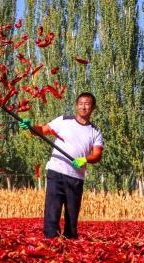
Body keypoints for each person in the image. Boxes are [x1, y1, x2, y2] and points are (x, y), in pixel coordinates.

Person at [19, 92, 104, 239]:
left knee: (72, 216)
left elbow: (97, 155)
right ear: (77, 105)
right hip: (56, 171)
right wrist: (30, 127)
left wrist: (84, 159)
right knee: (52, 212)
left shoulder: (95, 132)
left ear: (93, 107)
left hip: (76, 177)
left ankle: (70, 242)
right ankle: (51, 241)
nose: (84, 107)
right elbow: (43, 130)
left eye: (87, 104)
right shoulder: (64, 120)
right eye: (81, 104)